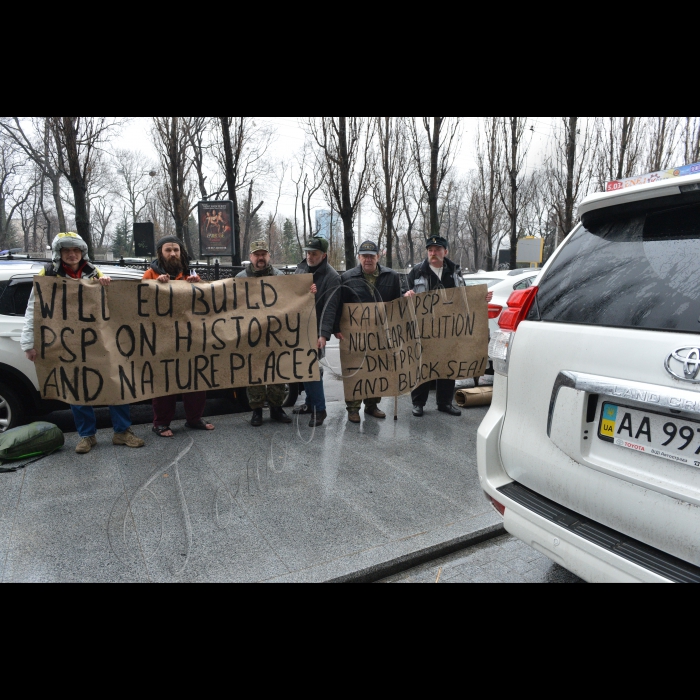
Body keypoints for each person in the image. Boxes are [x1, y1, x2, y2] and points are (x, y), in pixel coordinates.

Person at [21, 233, 146, 454]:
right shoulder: (47, 274)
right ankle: (87, 436)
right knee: (77, 389)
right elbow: (34, 308)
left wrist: (106, 284)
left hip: (98, 343)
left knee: (116, 383)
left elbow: (113, 304)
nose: (71, 254)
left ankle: (122, 432)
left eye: (76, 250)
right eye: (67, 250)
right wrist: (28, 342)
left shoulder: (94, 272)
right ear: (59, 253)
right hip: (67, 344)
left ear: (82, 252)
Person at [143, 236, 216, 438]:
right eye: (168, 250)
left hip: (190, 339)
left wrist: (199, 284)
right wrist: (155, 286)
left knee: (195, 380)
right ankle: (161, 423)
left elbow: (206, 304)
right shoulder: (149, 274)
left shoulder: (191, 274)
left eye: (176, 250)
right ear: (161, 253)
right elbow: (140, 305)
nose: (173, 253)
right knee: (164, 381)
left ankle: (194, 419)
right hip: (162, 339)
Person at [340, 241, 406, 424]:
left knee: (377, 367)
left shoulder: (391, 276)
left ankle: (372, 405)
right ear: (359, 257)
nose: (368, 259)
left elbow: (396, 303)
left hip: (381, 333)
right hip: (355, 335)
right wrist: (337, 329)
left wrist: (404, 301)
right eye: (364, 256)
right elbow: (340, 305)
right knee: (355, 369)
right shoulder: (347, 277)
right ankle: (353, 408)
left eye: (371, 256)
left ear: (378, 256)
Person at [404, 236, 467, 418]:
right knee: (422, 365)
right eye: (430, 250)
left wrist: (481, 299)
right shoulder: (417, 271)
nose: (433, 253)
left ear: (445, 252)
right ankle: (418, 403)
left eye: (437, 250)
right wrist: (406, 295)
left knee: (447, 365)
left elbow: (465, 297)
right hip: (423, 329)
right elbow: (403, 294)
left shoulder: (455, 271)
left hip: (448, 328)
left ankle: (445, 403)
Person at [237, 241, 292, 427]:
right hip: (252, 335)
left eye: (263, 254)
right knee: (255, 373)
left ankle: (277, 408)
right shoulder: (241, 278)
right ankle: (257, 410)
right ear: (251, 257)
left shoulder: (280, 277)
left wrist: (307, 292)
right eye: (256, 254)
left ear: (269, 256)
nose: (260, 258)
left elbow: (291, 300)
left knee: (277, 372)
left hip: (275, 334)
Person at [294, 236, 342, 428]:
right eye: (308, 253)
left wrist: (323, 335)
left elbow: (330, 309)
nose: (310, 256)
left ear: (324, 255)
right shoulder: (301, 268)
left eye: (314, 253)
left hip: (315, 330)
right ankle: (309, 403)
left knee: (312, 370)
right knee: (303, 368)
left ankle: (320, 410)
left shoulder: (332, 277)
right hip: (299, 328)